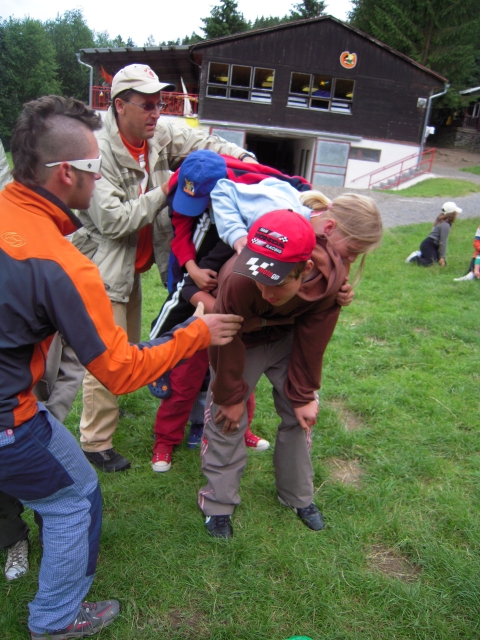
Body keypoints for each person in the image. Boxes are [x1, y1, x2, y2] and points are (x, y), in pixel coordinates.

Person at [0, 95, 242, 639]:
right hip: (7, 420)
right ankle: (56, 620)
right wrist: (195, 333)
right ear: (67, 174)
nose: (101, 177)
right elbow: (122, 370)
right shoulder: (62, 263)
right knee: (74, 498)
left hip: (16, 404)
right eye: (95, 167)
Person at [71, 63, 257, 473]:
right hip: (103, 264)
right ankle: (96, 442)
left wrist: (244, 158)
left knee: (127, 348)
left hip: (135, 264)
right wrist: (168, 187)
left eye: (160, 104)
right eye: (148, 105)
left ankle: (128, 400)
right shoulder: (96, 150)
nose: (157, 113)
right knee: (107, 356)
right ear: (120, 106)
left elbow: (204, 141)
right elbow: (113, 221)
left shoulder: (157, 132)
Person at [198, 197, 382, 538]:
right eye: (261, 281)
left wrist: (304, 393)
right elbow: (225, 337)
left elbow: (314, 339)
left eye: (278, 283)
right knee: (226, 419)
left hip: (286, 342)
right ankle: (218, 504)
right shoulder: (240, 278)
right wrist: (230, 396)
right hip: (240, 342)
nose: (267, 292)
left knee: (301, 415)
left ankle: (297, 496)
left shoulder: (332, 277)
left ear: (306, 269)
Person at [149, 150, 314, 471]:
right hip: (205, 318)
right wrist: (194, 272)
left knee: (240, 382)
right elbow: (186, 283)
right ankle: (165, 441)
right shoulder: (222, 236)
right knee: (184, 382)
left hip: (236, 328)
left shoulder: (261, 223)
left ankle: (240, 431)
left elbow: (293, 185)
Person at [405, 202, 461, 267]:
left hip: (432, 245)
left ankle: (422, 255)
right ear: (453, 214)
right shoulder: (445, 225)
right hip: (429, 245)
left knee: (438, 263)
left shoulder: (442, 220)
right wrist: (442, 257)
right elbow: (443, 242)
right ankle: (414, 258)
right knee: (430, 263)